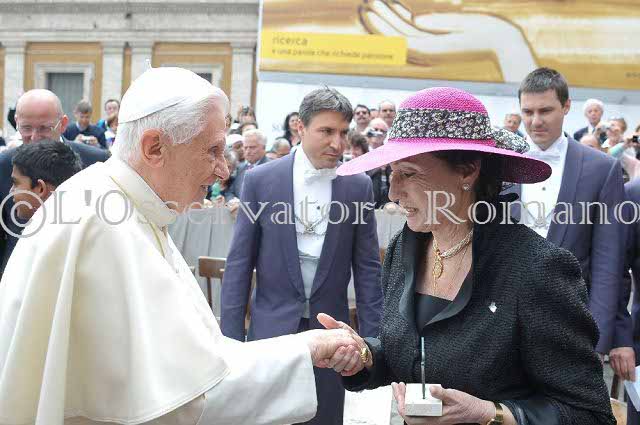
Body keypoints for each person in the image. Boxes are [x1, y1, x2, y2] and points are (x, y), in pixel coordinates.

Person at [0, 67, 361, 425]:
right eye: (213, 151)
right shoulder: (104, 227)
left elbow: (201, 361)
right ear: (155, 147)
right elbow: (186, 401)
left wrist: (303, 346)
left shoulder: (128, 206)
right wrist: (305, 349)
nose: (223, 170)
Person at [325, 86, 615, 424]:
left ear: (467, 171)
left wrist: (490, 414)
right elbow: (411, 355)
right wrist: (365, 356)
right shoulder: (405, 248)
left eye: (409, 173)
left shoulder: (536, 268)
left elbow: (590, 413)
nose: (393, 192)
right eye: (392, 173)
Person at [221, 87, 383, 425]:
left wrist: (373, 346)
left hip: (334, 341)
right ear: (300, 127)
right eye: (326, 131)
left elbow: (368, 271)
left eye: (343, 133)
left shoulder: (358, 186)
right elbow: (239, 265)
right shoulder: (260, 180)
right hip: (270, 337)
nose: (337, 143)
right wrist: (231, 342)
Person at [507, 68, 625, 356]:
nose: (535, 121)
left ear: (567, 106)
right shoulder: (500, 163)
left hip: (571, 326)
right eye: (528, 112)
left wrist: (596, 338)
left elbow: (608, 262)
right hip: (503, 324)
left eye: (545, 111)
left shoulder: (602, 169)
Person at [0, 89, 109, 276]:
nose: (34, 137)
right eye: (26, 128)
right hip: (18, 275)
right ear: (16, 122)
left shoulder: (97, 161)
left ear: (63, 124)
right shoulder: (3, 164)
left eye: (44, 128)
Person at [227, 129, 270, 200]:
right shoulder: (240, 168)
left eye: (252, 147)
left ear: (264, 147)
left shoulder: (272, 168)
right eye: (245, 147)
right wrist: (232, 201)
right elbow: (230, 192)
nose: (248, 151)